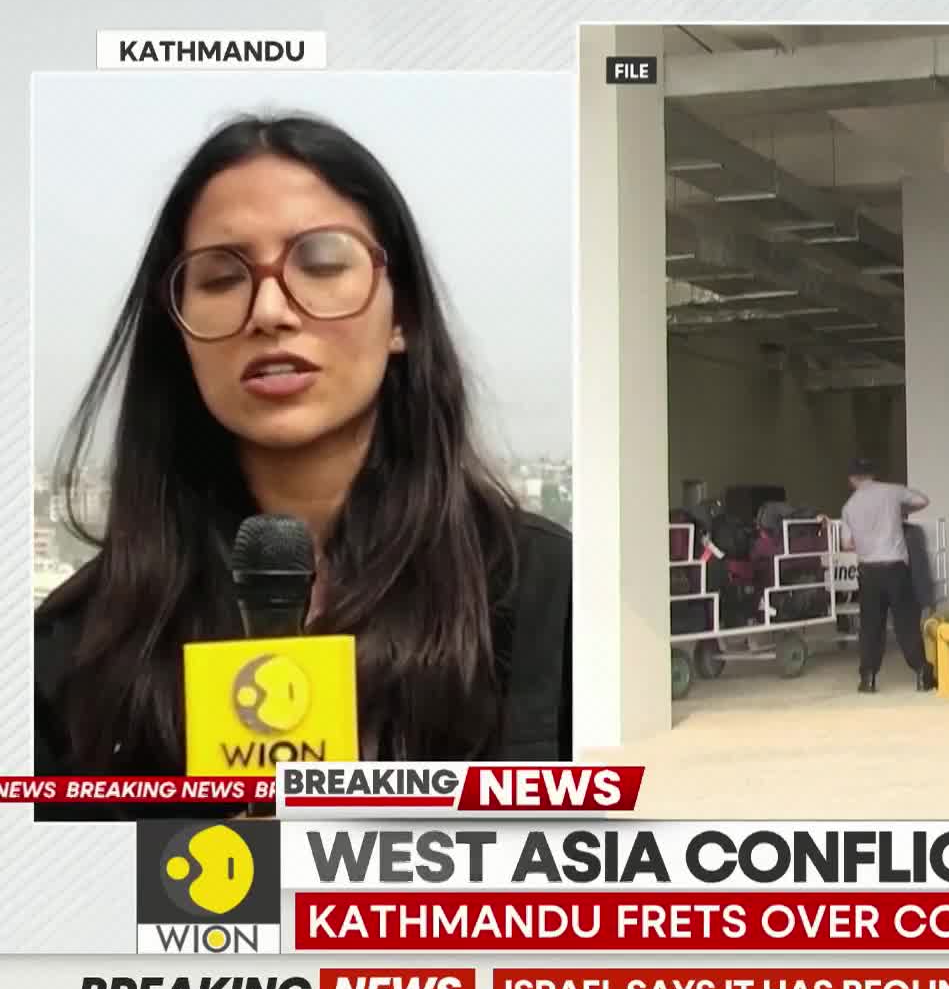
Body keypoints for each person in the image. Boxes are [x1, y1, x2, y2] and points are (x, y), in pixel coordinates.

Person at [34, 113, 572, 820]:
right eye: (221, 278)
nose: (269, 311)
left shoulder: (548, 599)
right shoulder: (74, 645)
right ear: (180, 334)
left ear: (401, 312)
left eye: (320, 265)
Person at [840, 458, 935, 693]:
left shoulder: (849, 507)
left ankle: (868, 678)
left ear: (852, 479)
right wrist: (901, 511)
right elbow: (923, 500)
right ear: (873, 474)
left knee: (871, 626)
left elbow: (847, 544)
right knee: (906, 623)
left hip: (869, 571)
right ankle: (922, 673)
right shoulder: (892, 492)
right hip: (895, 568)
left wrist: (866, 539)